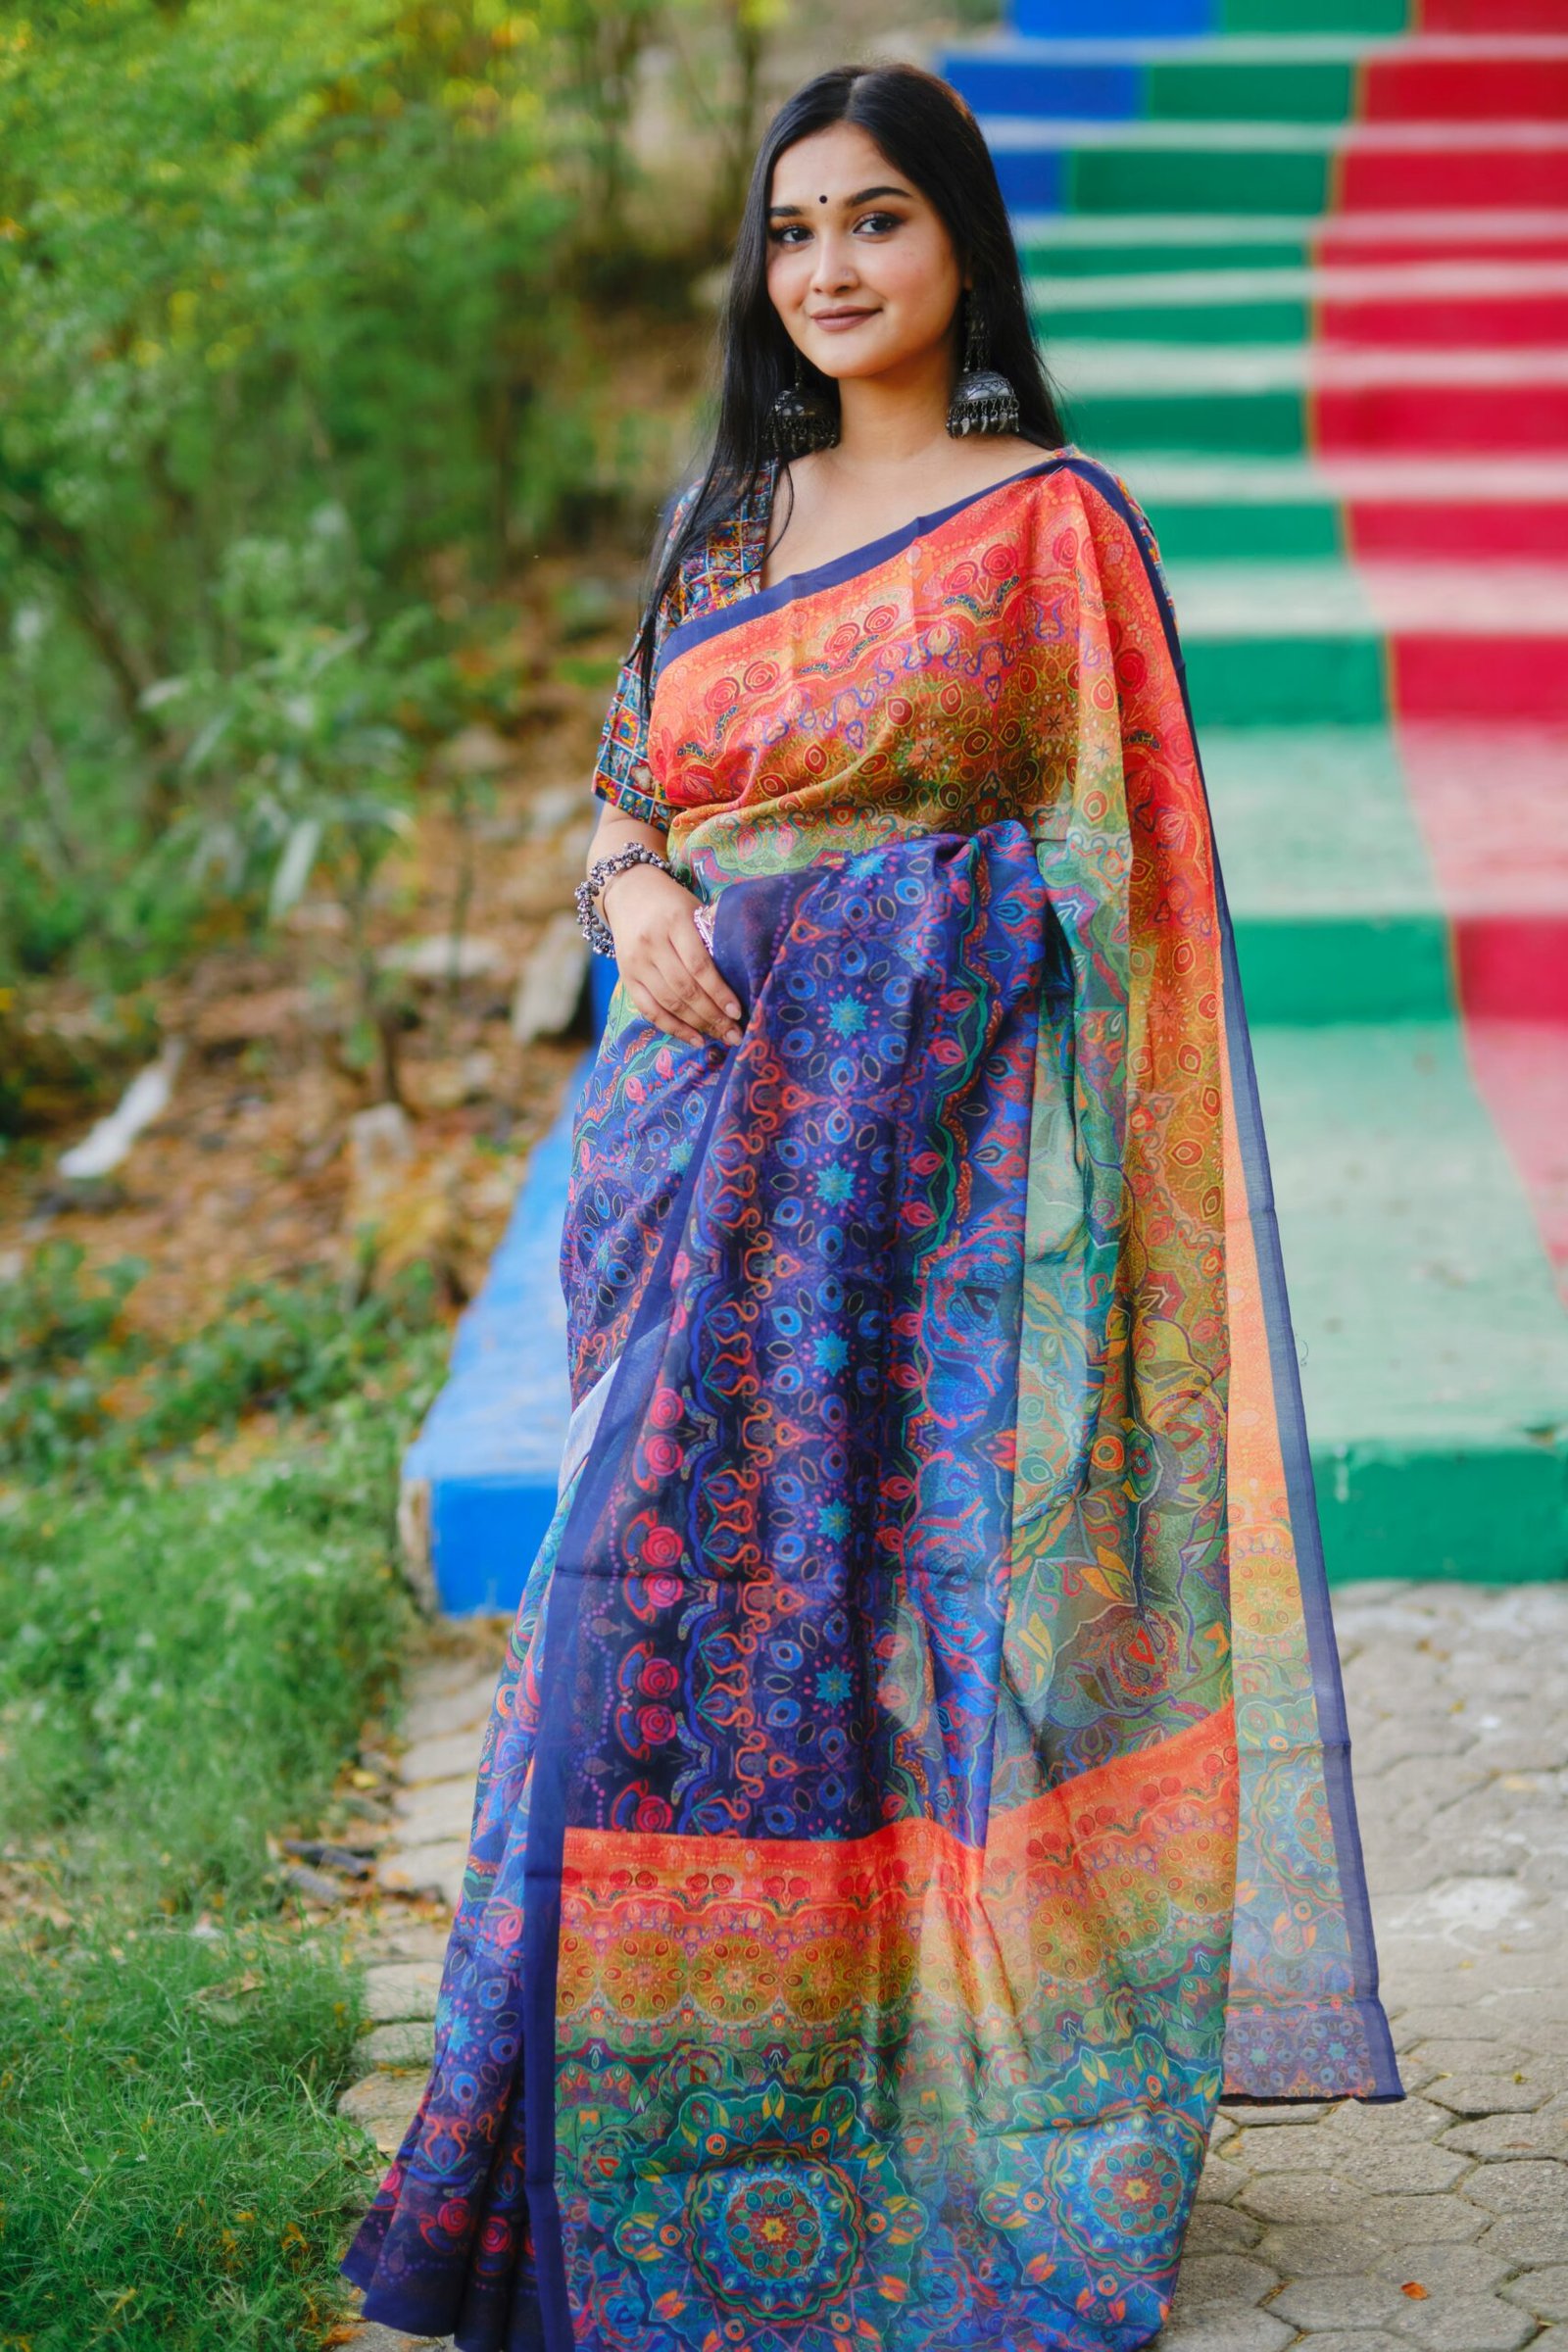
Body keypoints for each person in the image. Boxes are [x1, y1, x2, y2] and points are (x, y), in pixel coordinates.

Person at [344, 62, 1398, 2352]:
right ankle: (580, 2150)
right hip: (693, 1158)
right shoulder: (726, 517)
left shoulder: (1050, 528)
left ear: (960, 250)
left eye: (877, 223)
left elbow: (1135, 880)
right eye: (792, 229)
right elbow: (627, 788)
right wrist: (630, 890)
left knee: (911, 1645)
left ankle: (913, 2135)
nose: (825, 269)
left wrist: (928, 959)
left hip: (939, 1178)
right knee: (647, 1617)